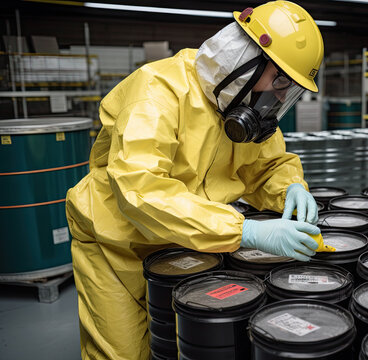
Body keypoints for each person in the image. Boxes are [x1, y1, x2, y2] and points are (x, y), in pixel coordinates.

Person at [65, 1, 324, 359]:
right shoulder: (157, 93)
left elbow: (266, 165)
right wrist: (244, 231)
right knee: (123, 352)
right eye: (280, 80)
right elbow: (141, 190)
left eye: (289, 88)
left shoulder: (241, 106)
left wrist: (291, 186)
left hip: (190, 238)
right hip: (116, 242)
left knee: (183, 346)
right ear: (244, 60)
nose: (280, 96)